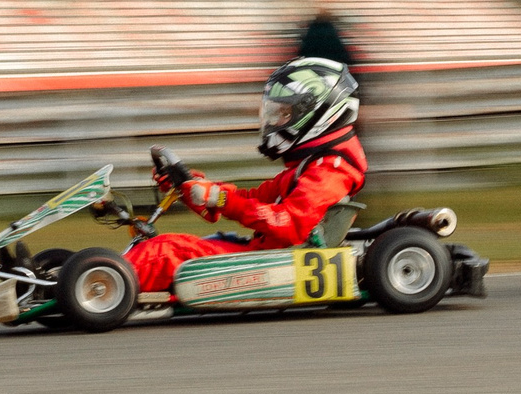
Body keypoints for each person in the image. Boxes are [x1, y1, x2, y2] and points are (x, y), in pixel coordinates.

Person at [125, 56, 366, 293]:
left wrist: (219, 199)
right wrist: (196, 188)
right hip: (266, 253)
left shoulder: (330, 170)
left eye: (285, 114)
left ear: (320, 113)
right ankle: (109, 275)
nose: (275, 121)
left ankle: (105, 281)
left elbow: (289, 223)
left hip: (278, 261)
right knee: (183, 245)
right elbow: (255, 198)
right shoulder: (309, 166)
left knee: (166, 251)